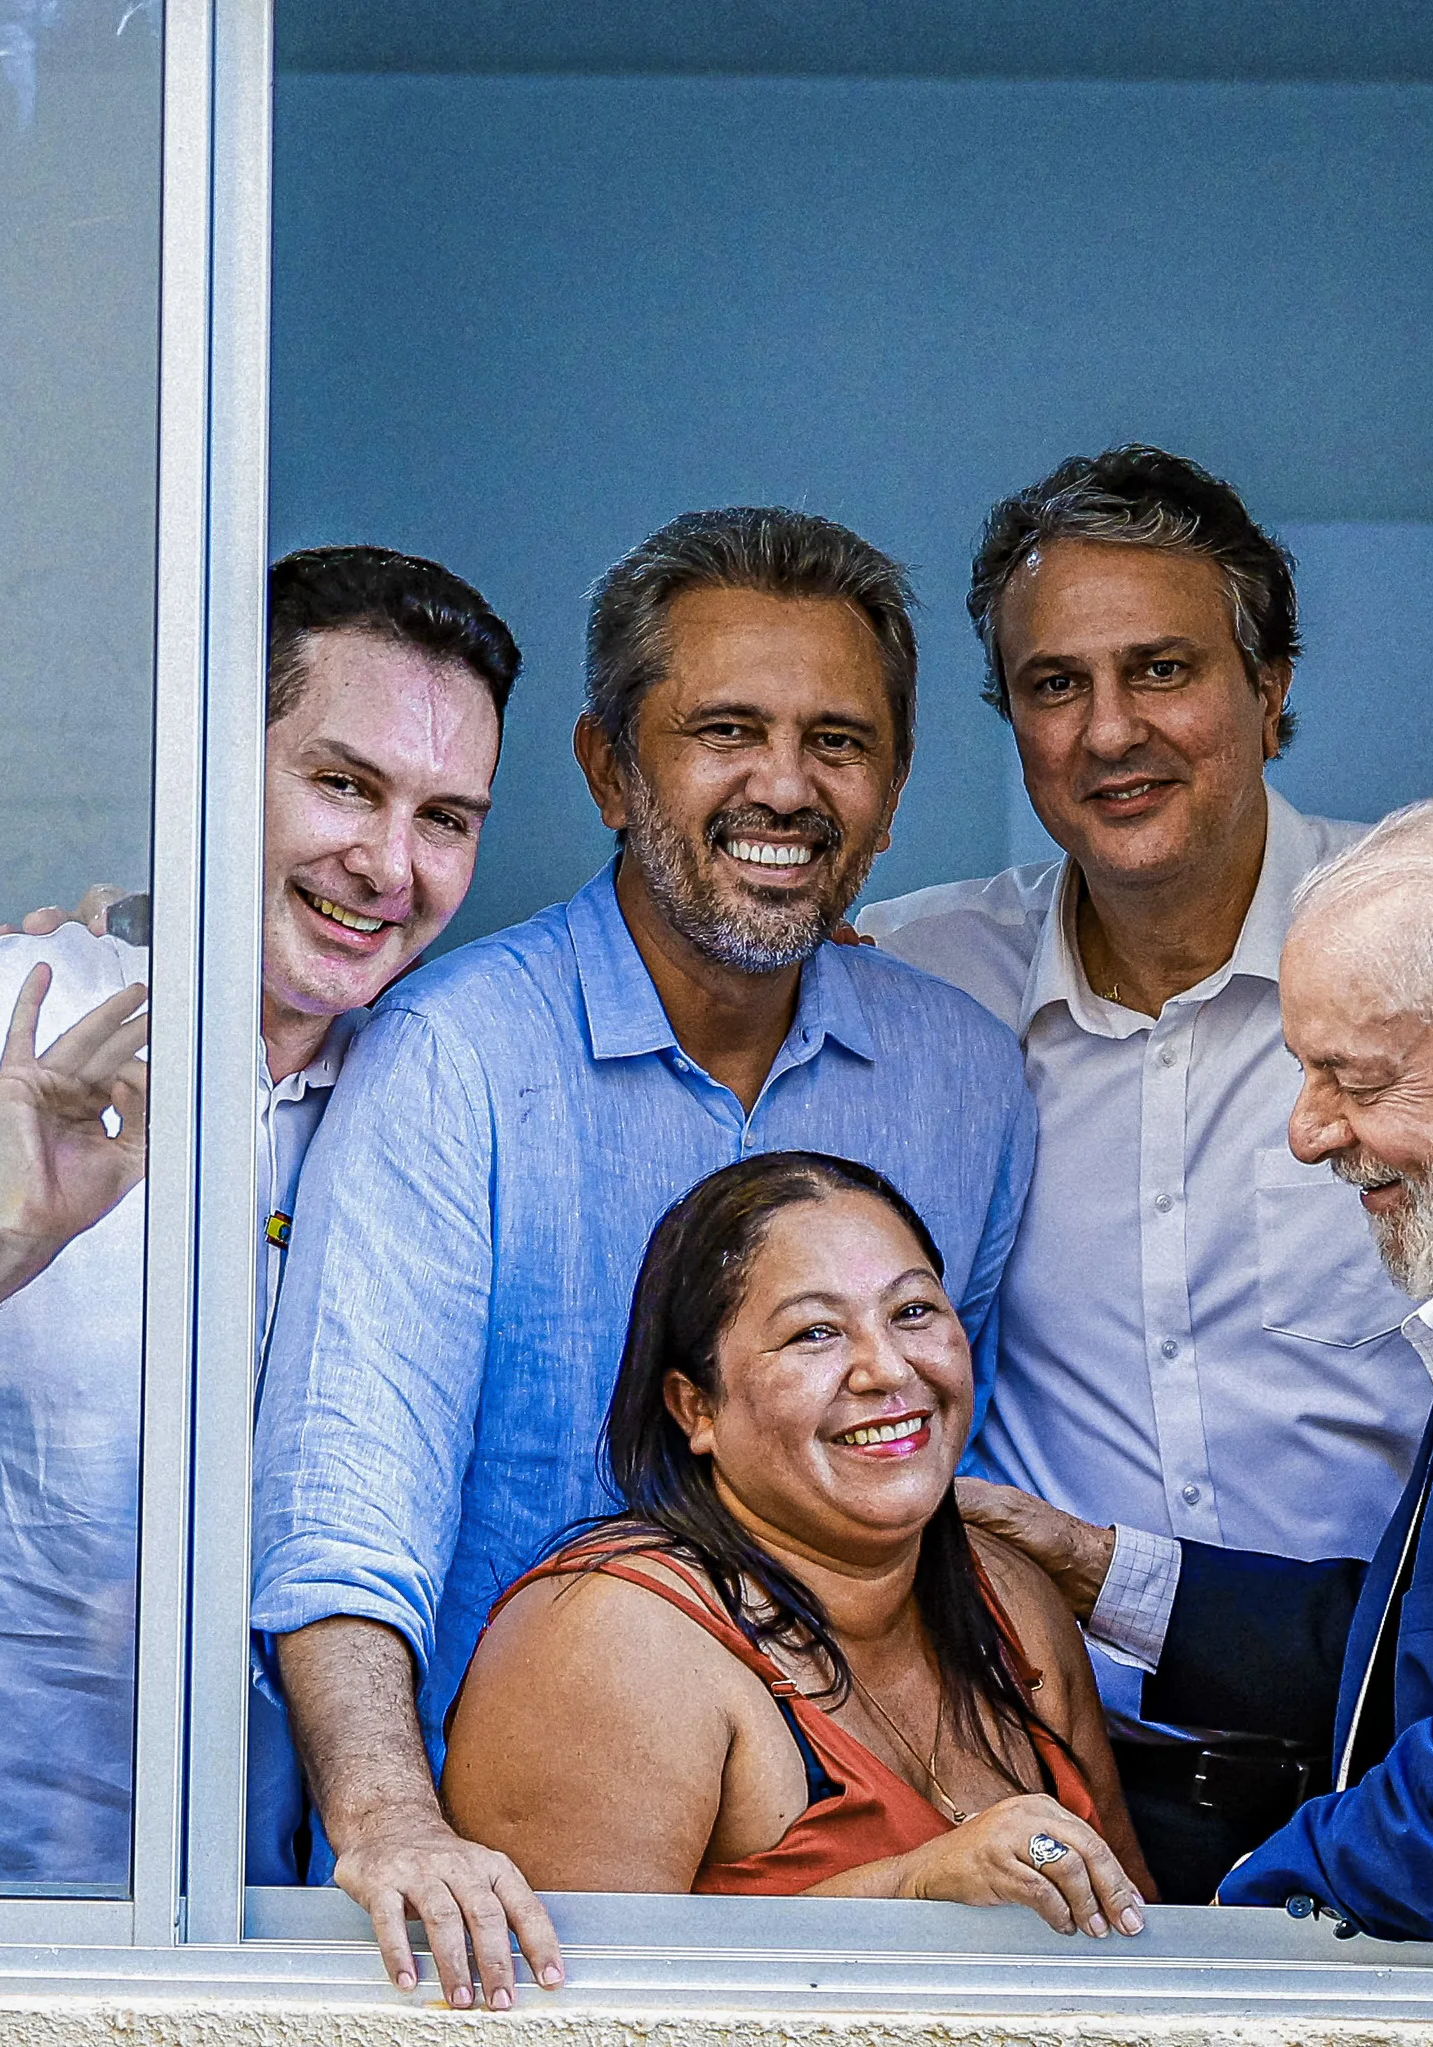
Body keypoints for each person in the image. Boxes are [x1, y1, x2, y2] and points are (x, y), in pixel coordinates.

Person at [854, 445, 1433, 1899]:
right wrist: (1081, 1563)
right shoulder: (911, 981)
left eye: (1162, 667)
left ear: (1268, 691)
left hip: (1412, 1803)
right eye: (1052, 683)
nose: (1108, 728)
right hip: (1059, 1786)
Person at [252, 507, 1037, 2009]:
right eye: (723, 729)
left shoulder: (963, 1078)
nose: (784, 786)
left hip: (881, 1922)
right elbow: (344, 1496)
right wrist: (390, 1822)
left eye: (839, 740)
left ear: (893, 791)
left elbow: (927, 1490)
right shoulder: (451, 1054)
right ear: (610, 765)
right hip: (504, 1925)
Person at [987, 793, 1433, 1938]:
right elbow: (1428, 1638)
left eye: (1362, 1081)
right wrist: (1095, 1567)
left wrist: (1215, 1927)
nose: (1308, 1131)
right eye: (1302, 1069)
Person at [0, 543, 519, 1890]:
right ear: (210, 756)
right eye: (341, 782)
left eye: (446, 816)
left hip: (261, 1909)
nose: (387, 863)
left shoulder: (430, 1085)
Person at [444, 1151, 1153, 1931]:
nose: (886, 1368)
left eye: (913, 1311)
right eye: (815, 1332)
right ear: (694, 1408)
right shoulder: (609, 1641)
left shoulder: (1011, 1597)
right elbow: (576, 2014)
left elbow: (1140, 1941)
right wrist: (908, 1891)